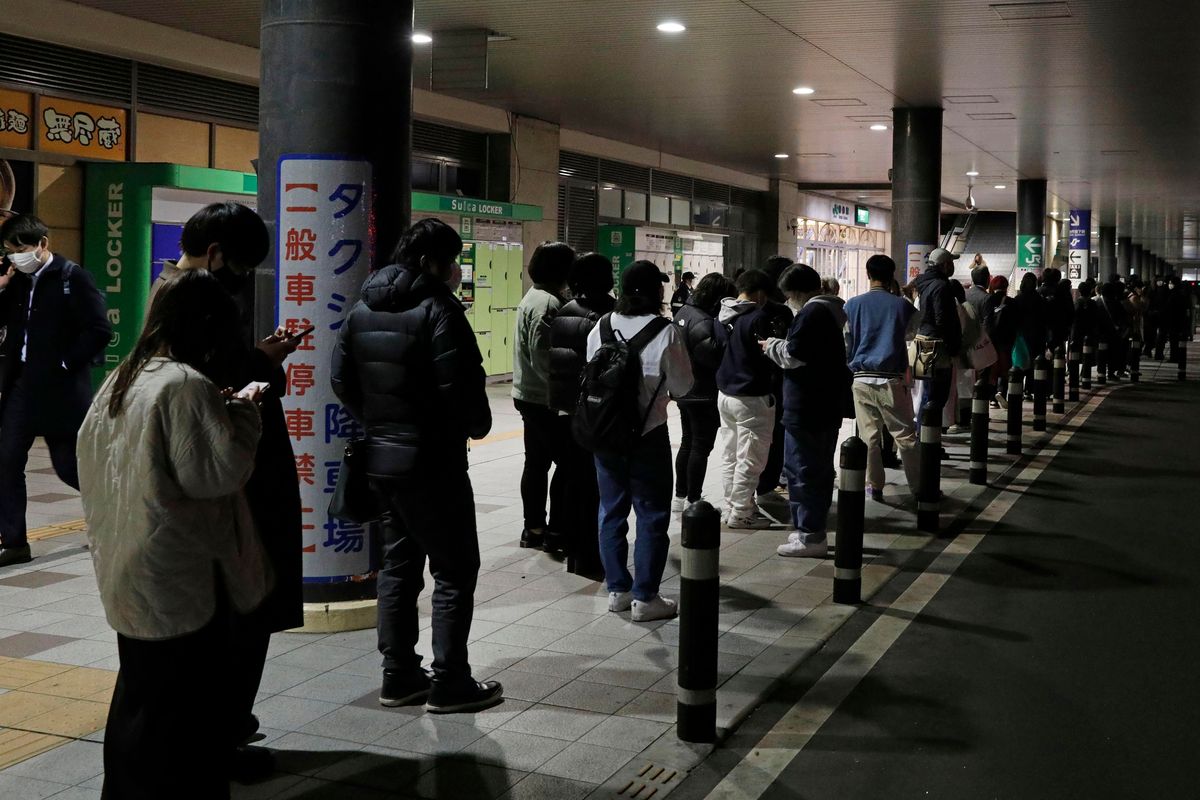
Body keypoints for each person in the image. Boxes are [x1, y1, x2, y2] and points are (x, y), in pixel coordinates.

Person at [77, 269, 268, 799]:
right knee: (187, 715)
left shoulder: (124, 378)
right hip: (180, 573)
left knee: (140, 699)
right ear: (205, 326)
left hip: (128, 562)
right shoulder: (184, 384)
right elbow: (217, 474)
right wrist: (246, 414)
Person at [147, 202, 301, 778]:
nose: (239, 282)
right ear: (216, 255)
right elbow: (221, 383)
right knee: (243, 609)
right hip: (236, 486)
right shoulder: (190, 301)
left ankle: (223, 728)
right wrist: (265, 361)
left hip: (219, 489)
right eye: (239, 267)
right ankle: (223, 735)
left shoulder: (171, 290)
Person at [331, 218, 502, 714]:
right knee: (454, 569)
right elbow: (460, 386)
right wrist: (473, 425)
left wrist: (379, 424)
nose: (453, 271)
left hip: (381, 463)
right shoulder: (439, 310)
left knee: (398, 567)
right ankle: (450, 681)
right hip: (434, 465)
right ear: (430, 262)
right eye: (450, 261)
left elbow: (341, 379)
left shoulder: (361, 309)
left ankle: (399, 675)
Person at [0, 214, 110, 568]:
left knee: (69, 468)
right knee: (7, 462)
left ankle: (112, 520)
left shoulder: (72, 277)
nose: (16, 257)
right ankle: (14, 541)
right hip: (21, 387)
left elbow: (99, 330)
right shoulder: (18, 281)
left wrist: (65, 363)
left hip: (61, 392)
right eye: (9, 252)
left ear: (42, 244)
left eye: (21, 250)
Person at [587, 260, 692, 622]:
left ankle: (617, 590)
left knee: (610, 510)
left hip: (605, 434)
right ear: (655, 292)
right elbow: (683, 386)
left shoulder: (600, 326)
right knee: (651, 515)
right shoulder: (666, 332)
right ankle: (646, 598)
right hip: (648, 435)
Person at [761, 264, 852, 558]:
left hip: (807, 406)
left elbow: (795, 355)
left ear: (798, 292)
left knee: (801, 469)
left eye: (789, 295)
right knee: (819, 469)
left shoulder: (812, 313)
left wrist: (771, 345)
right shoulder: (831, 312)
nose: (788, 301)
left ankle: (810, 535)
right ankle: (810, 528)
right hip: (825, 404)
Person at [546, 252, 615, 578]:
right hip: (593, 413)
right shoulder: (602, 317)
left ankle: (575, 554)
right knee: (595, 488)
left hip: (565, 410)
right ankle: (591, 558)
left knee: (575, 483)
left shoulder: (563, 312)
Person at [843, 255, 921, 501]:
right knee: (905, 437)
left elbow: (847, 341)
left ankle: (874, 485)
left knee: (868, 438)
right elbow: (912, 333)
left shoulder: (852, 305)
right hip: (891, 379)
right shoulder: (903, 306)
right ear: (892, 275)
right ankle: (919, 488)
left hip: (862, 378)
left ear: (868, 274)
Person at [512, 242, 572, 553]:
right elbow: (543, 356)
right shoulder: (548, 304)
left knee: (535, 464)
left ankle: (533, 528)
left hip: (528, 394)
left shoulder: (533, 296)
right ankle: (555, 530)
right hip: (543, 398)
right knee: (567, 462)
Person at [716, 269, 786, 529]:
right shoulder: (758, 318)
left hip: (725, 393)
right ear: (759, 294)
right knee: (751, 458)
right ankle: (741, 512)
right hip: (751, 396)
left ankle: (731, 506)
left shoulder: (723, 316)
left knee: (730, 454)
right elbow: (771, 356)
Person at [672, 272, 737, 511]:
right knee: (700, 445)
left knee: (688, 442)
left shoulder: (683, 312)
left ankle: (681, 496)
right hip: (701, 391)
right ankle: (693, 499)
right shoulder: (703, 320)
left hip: (684, 388)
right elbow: (710, 355)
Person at [754, 256, 796, 500]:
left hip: (750, 388)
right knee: (775, 437)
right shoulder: (780, 313)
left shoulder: (745, 312)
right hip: (776, 386)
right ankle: (767, 487)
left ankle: (760, 487)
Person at [913, 248, 963, 432]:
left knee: (928, 393)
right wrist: (952, 346)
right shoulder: (942, 286)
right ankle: (926, 441)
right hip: (937, 346)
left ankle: (924, 437)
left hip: (923, 342)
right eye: (951, 262)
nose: (953, 266)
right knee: (937, 396)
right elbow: (943, 320)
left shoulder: (924, 284)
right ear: (944, 265)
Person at [984, 275, 1019, 407]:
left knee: (992, 367)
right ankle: (1002, 392)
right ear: (1005, 287)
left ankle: (992, 397)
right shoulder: (1012, 302)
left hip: (991, 340)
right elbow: (1016, 321)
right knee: (1005, 367)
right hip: (1006, 340)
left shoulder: (988, 300)